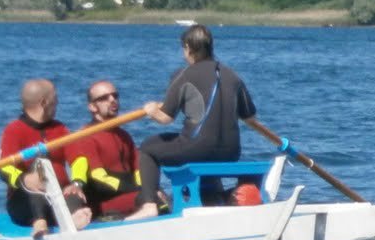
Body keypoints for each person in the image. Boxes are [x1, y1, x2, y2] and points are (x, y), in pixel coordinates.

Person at [128, 24, 257, 219]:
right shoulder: (233, 76)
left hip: (196, 149)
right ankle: (212, 198)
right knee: (202, 146)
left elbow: (165, 118)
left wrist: (151, 110)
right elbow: (249, 117)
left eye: (183, 49)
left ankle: (149, 204)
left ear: (188, 47)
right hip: (231, 153)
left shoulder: (185, 74)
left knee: (147, 148)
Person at [0, 78, 93, 235]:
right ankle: (40, 223)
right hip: (26, 200)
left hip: (58, 196)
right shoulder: (14, 130)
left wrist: (77, 183)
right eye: (55, 98)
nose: (58, 102)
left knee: (73, 194)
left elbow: (79, 159)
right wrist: (24, 179)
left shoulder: (60, 128)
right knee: (35, 190)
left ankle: (74, 218)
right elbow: (4, 168)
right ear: (44, 102)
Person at [65, 79, 144, 218]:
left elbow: (138, 169)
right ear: (92, 107)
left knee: (160, 198)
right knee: (149, 198)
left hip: (129, 196)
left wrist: (147, 187)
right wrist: (138, 189)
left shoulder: (124, 136)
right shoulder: (85, 136)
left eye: (115, 95)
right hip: (102, 204)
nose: (112, 100)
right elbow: (99, 179)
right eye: (104, 98)